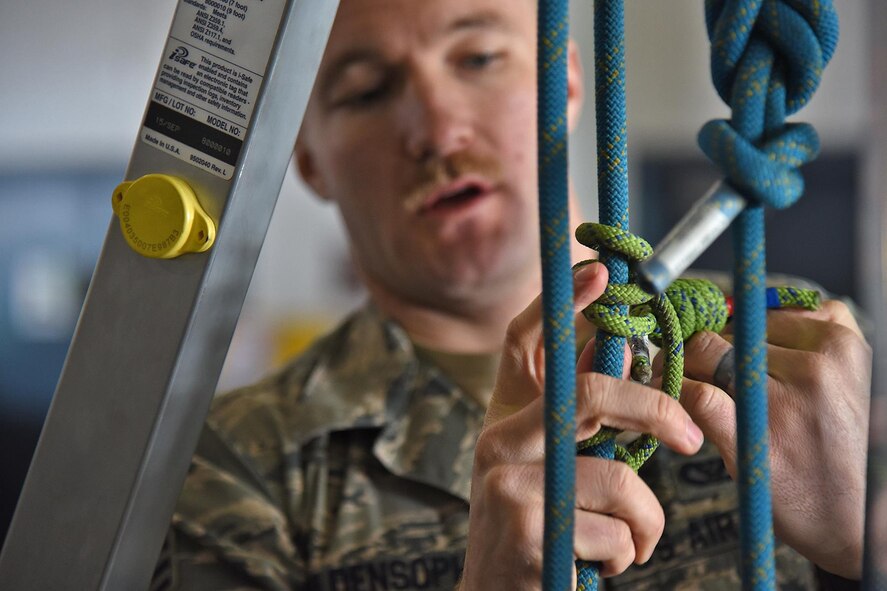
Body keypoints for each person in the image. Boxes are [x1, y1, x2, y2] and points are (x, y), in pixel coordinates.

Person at [150, 0, 872, 589]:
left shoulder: (799, 346)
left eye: (477, 58)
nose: (436, 128)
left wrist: (857, 547)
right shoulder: (230, 466)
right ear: (308, 160)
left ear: (563, 78)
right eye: (367, 91)